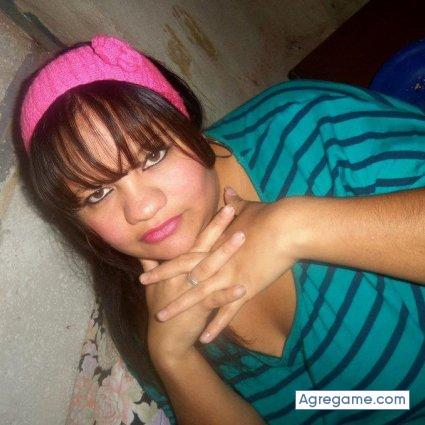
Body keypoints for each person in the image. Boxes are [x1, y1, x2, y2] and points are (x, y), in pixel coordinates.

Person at [18, 34, 425, 425]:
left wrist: (294, 228)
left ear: (185, 122)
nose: (143, 208)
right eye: (98, 194)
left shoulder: (308, 130)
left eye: (153, 155)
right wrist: (174, 358)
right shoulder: (140, 310)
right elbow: (340, 401)